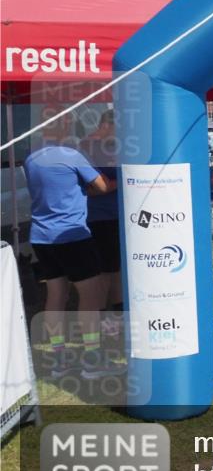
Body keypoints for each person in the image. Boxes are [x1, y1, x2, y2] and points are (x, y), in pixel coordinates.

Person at [24, 115, 123, 378]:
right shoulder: (72, 155)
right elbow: (102, 186)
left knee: (55, 296)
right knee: (90, 298)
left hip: (41, 237)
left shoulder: (31, 157)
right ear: (64, 127)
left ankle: (58, 360)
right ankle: (92, 359)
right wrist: (122, 178)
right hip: (72, 235)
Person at [79, 110, 124, 339]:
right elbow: (97, 187)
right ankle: (105, 319)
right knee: (105, 271)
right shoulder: (88, 146)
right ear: (107, 124)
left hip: (116, 215)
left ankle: (117, 315)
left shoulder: (112, 145)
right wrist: (124, 179)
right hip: (99, 216)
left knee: (115, 268)